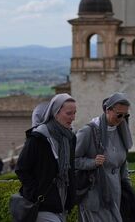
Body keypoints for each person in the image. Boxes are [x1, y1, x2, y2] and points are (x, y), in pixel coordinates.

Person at [15, 94, 78, 222]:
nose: (73, 118)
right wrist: (35, 193)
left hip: (62, 200)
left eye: (74, 113)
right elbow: (21, 168)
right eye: (69, 113)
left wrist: (71, 196)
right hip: (43, 203)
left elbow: (70, 170)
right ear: (55, 113)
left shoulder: (70, 138)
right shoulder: (38, 138)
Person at [75, 93, 134, 222]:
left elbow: (122, 165)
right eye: (119, 114)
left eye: (126, 115)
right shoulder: (88, 131)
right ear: (108, 110)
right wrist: (92, 162)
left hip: (115, 195)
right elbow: (71, 160)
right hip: (95, 197)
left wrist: (129, 190)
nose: (122, 119)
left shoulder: (120, 132)